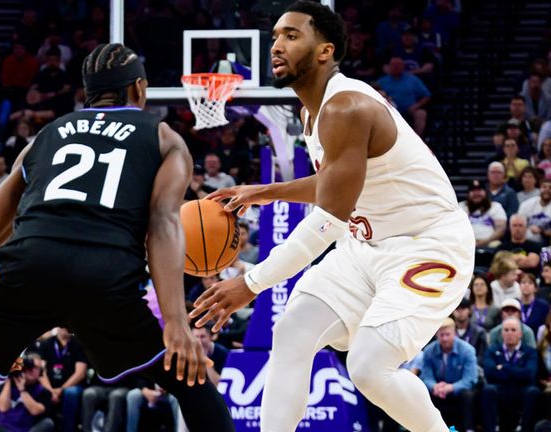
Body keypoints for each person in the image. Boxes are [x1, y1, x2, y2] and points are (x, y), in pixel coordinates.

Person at [0, 42, 234, 432]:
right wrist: (176, 322)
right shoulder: (164, 138)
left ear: (87, 94)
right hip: (107, 275)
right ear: (139, 89)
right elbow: (164, 223)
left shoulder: (46, 135)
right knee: (192, 383)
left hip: (28, 267)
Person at [189, 3, 474, 431]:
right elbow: (339, 183)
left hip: (426, 245)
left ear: (324, 51)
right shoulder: (313, 111)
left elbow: (327, 222)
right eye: (275, 37)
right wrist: (265, 191)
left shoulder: (346, 108)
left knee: (369, 366)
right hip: (365, 248)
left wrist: (249, 284)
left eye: (291, 36)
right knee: (292, 333)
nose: (276, 46)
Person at [481, 317, 541, 432]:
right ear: (501, 333)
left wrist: (504, 367)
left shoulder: (530, 351)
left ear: (520, 334)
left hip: (522, 389)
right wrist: (517, 372)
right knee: (488, 390)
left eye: (513, 330)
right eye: (506, 330)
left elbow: (529, 374)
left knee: (534, 392)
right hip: (500, 389)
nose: (509, 333)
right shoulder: (492, 350)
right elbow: (489, 373)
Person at [419, 318, 478, 432]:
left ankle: (469, 429)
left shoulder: (467, 350)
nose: (445, 338)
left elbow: (470, 379)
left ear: (454, 333)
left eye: (448, 334)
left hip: (458, 390)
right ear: (437, 335)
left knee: (468, 395)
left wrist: (450, 388)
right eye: (442, 335)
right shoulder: (429, 351)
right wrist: (434, 386)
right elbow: (426, 376)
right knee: (423, 393)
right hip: (438, 391)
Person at [37, 328, 87, 432]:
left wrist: (61, 389)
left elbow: (80, 373)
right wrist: (51, 391)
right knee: (39, 390)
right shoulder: (47, 343)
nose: (64, 329)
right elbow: (40, 371)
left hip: (71, 386)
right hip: (50, 385)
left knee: (70, 393)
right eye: (61, 326)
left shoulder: (78, 343)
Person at [0, 354, 54, 432]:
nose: (32, 369)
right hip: (6, 428)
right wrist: (10, 377)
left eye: (36, 367)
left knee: (48, 423)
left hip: (28, 429)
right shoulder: (7, 385)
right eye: (29, 366)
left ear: (41, 372)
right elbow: (3, 408)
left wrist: (22, 390)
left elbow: (35, 411)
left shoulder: (43, 391)